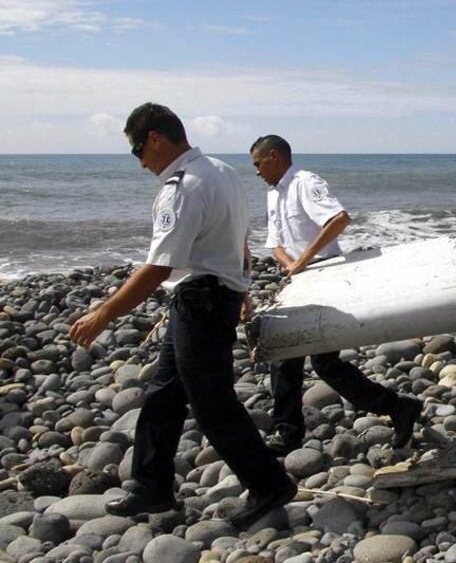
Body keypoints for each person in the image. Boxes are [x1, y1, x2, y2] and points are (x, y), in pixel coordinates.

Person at [70, 103, 295, 530]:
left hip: (201, 303)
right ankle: (150, 484)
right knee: (163, 394)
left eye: (138, 151)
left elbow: (157, 268)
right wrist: (241, 287)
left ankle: (269, 483)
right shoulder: (222, 172)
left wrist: (103, 313)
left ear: (155, 138)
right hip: (208, 297)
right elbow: (237, 238)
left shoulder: (184, 185)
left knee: (212, 404)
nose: (140, 163)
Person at [250, 135, 422, 455]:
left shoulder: (305, 183)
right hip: (298, 279)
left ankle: (397, 408)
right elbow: (275, 242)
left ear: (274, 156)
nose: (256, 171)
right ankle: (289, 432)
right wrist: (291, 266)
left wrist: (303, 261)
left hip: (325, 274)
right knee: (289, 357)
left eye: (258, 164)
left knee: (322, 362)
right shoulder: (273, 194)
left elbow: (338, 219)